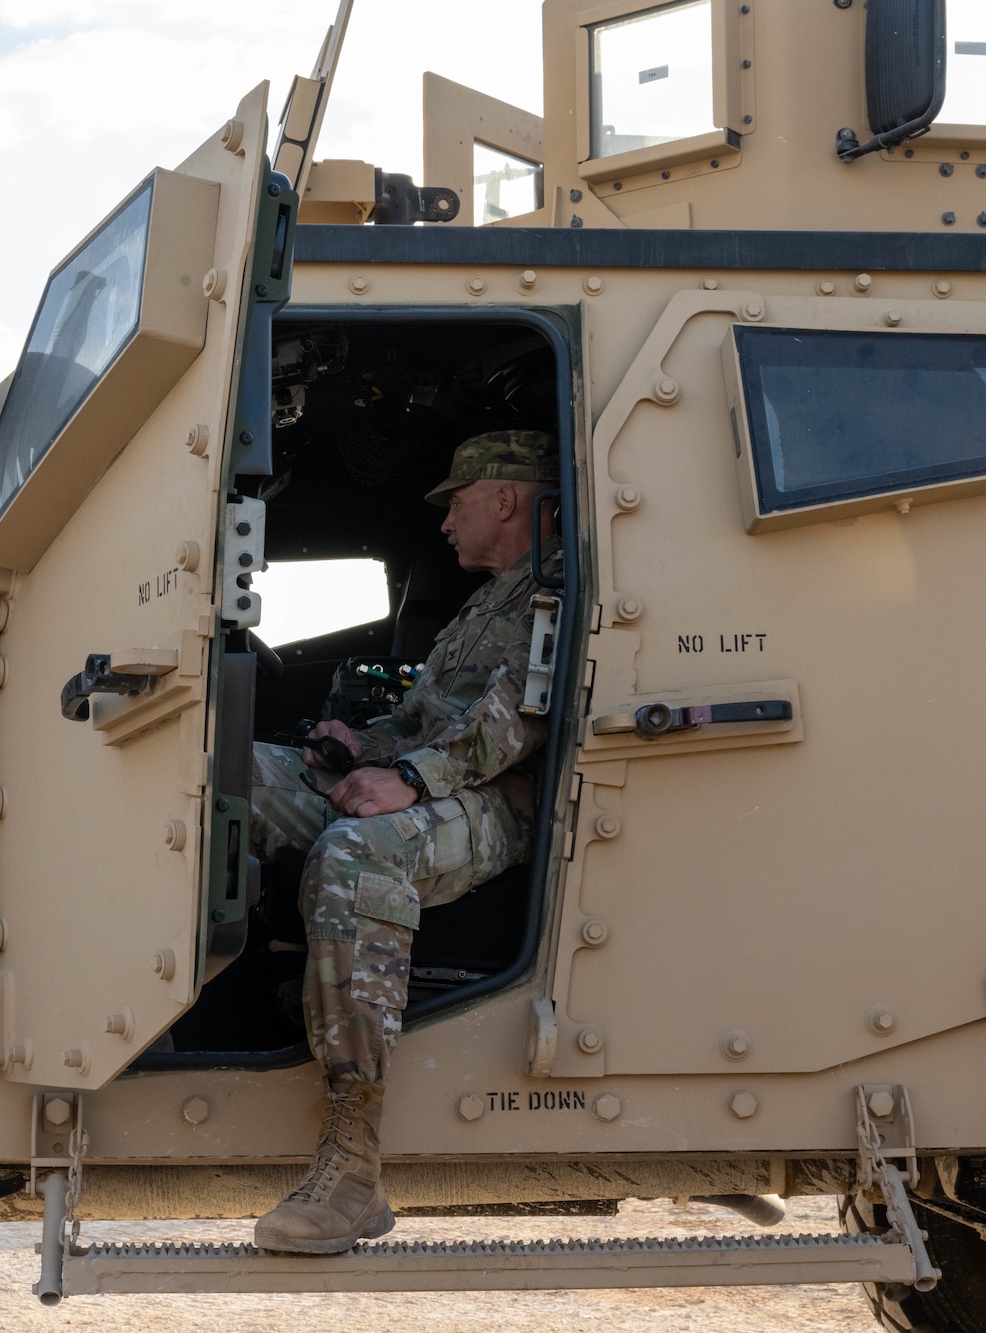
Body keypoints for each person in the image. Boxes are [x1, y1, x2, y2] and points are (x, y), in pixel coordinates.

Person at [249, 429, 559, 1255]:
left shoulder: (554, 588)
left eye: (457, 501)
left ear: (505, 498)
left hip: (500, 804)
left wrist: (411, 782)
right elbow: (423, 719)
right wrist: (362, 747)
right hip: (438, 780)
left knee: (358, 851)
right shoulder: (485, 602)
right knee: (236, 778)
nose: (447, 521)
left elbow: (518, 721)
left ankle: (352, 1166)